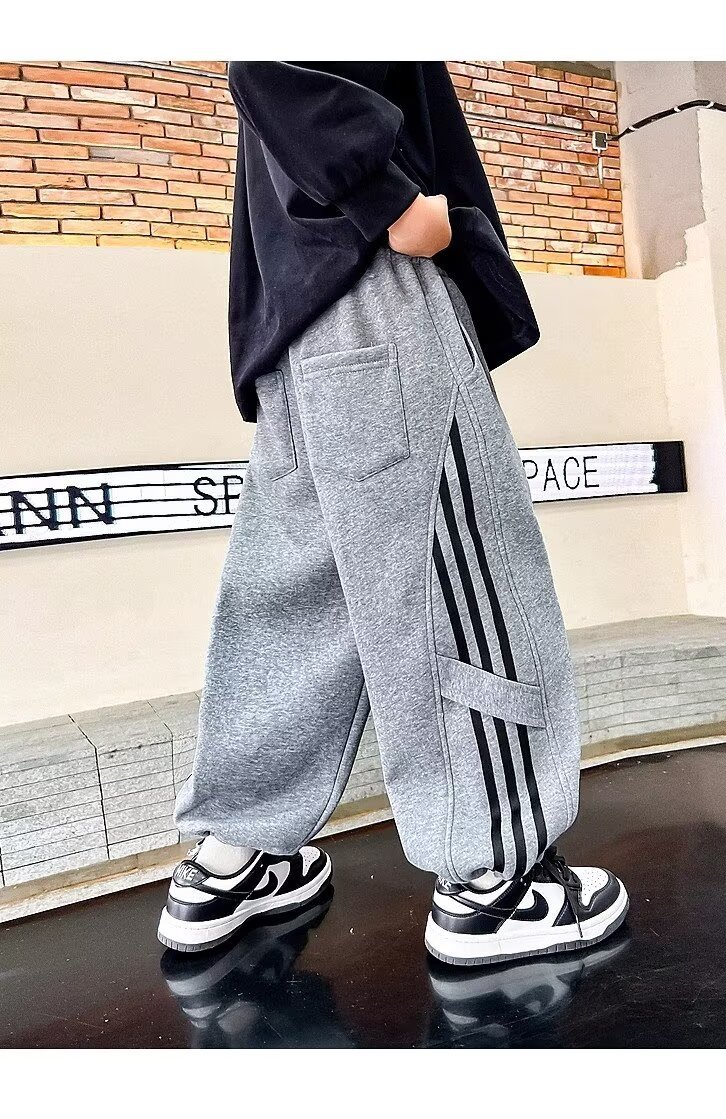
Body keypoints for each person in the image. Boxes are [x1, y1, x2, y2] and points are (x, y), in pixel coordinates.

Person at [158, 62, 628, 966]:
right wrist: (390, 197)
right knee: (457, 581)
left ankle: (236, 856)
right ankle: (496, 882)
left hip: (296, 315)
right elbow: (268, 59)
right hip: (377, 283)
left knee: (301, 596)